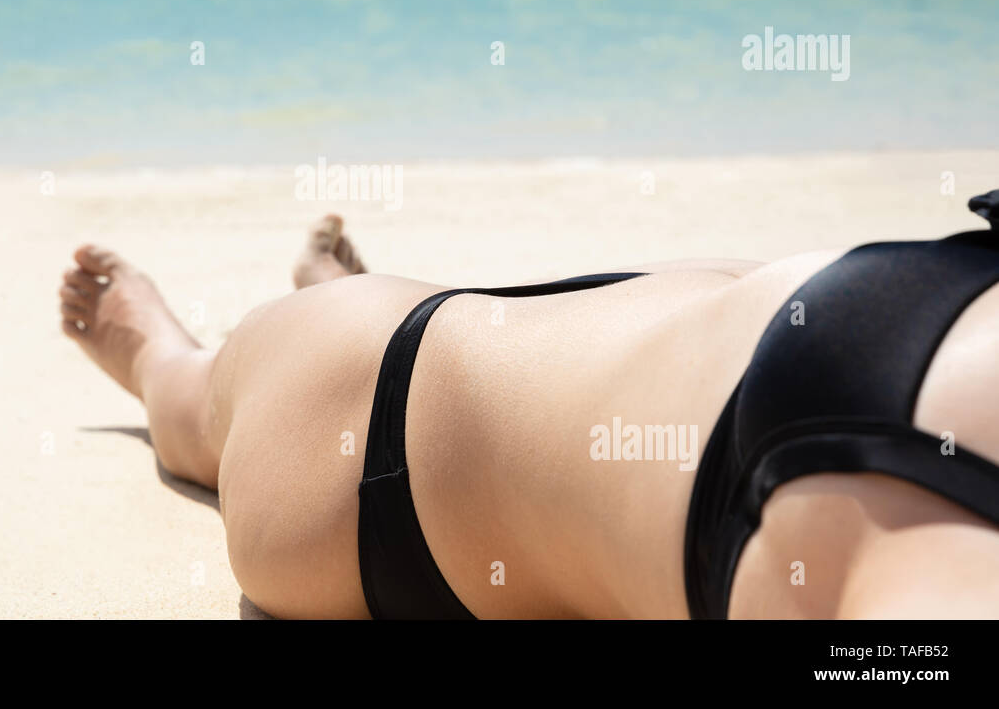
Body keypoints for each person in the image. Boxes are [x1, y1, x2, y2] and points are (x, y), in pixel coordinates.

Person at [57, 193, 999, 619]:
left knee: (206, 400)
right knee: (588, 328)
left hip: (384, 428)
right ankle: (358, 294)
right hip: (775, 327)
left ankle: (167, 357)